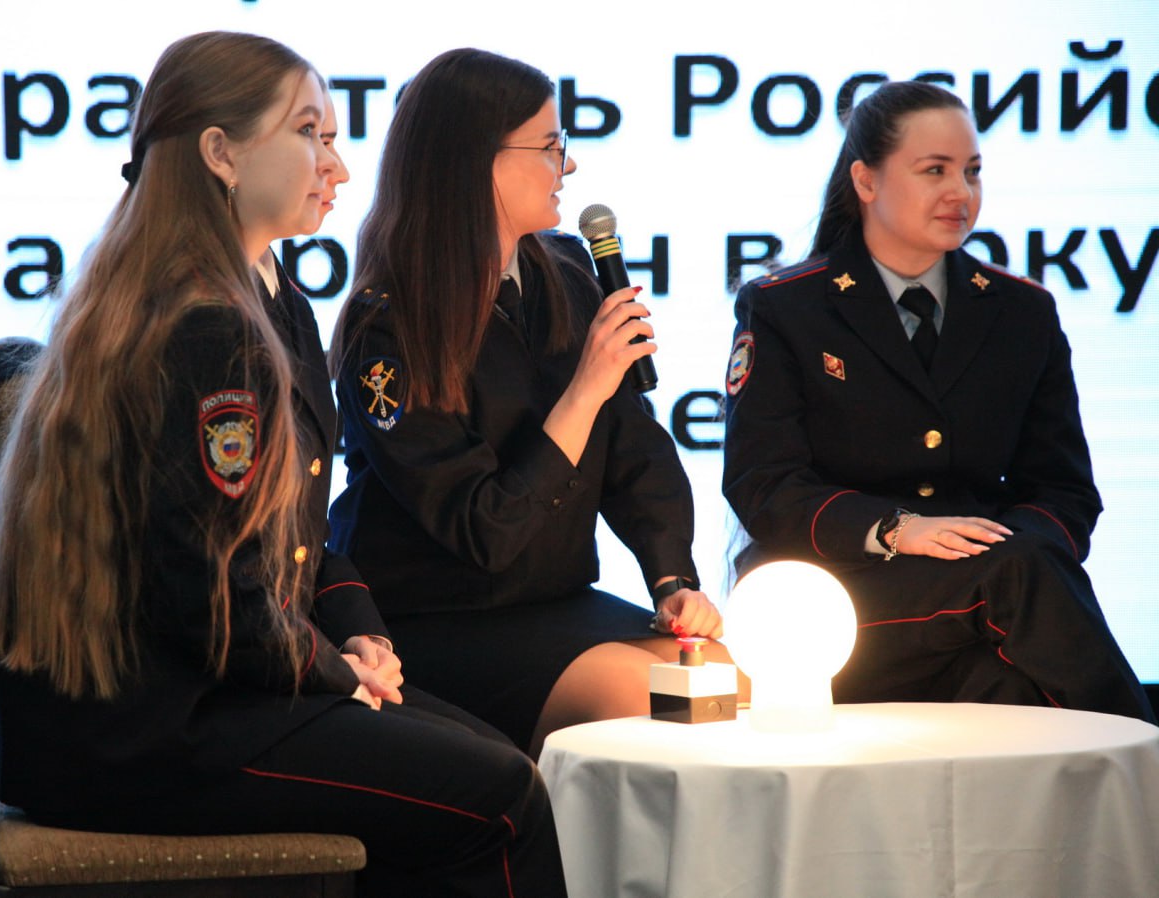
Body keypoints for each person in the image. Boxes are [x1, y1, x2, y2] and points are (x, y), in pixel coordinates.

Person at [0, 31, 568, 896]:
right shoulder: (204, 321)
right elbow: (211, 591)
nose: (339, 167)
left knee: (488, 758)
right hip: (151, 728)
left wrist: (360, 632)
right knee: (501, 794)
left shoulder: (269, 294)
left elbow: (291, 533)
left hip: (202, 687)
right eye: (309, 133)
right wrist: (335, 673)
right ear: (220, 153)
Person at [328, 47, 725, 757]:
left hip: (552, 601)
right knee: (645, 698)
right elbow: (484, 532)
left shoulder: (565, 270)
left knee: (719, 678)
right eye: (548, 147)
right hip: (437, 617)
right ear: (474, 161)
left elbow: (633, 447)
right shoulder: (388, 326)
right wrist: (585, 389)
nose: (566, 166)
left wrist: (672, 580)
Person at [721, 80, 1154, 723]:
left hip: (984, 596)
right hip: (833, 601)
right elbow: (764, 487)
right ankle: (1145, 756)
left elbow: (1064, 493)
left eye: (972, 172)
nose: (961, 193)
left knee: (1006, 687)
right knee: (1017, 578)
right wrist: (901, 530)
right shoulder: (787, 306)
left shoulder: (1023, 311)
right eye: (935, 171)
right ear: (866, 181)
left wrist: (995, 547)